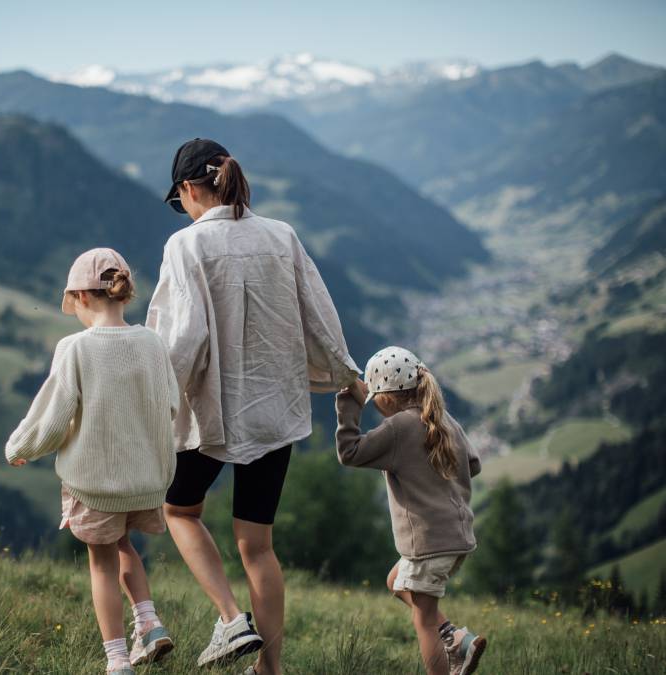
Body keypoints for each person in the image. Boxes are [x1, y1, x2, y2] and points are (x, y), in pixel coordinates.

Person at [147, 138, 359, 674]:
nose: (183, 210)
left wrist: (154, 402)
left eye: (180, 200)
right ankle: (271, 669)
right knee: (258, 547)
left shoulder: (186, 246)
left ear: (190, 189)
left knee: (179, 510)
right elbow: (319, 311)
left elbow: (184, 340)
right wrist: (345, 373)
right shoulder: (281, 236)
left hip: (213, 412)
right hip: (274, 411)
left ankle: (228, 619)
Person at [5, 248, 179, 675]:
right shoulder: (152, 343)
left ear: (82, 297)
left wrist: (20, 448)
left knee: (101, 563)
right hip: (146, 480)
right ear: (122, 293)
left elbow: (52, 414)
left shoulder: (76, 348)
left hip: (96, 484)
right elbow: (171, 405)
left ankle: (117, 660)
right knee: (124, 547)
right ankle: (150, 623)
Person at [335, 346, 488, 675]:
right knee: (396, 581)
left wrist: (349, 405)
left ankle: (449, 659)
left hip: (429, 545)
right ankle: (456, 638)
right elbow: (472, 464)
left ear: (385, 398)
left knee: (423, 621)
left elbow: (349, 452)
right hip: (457, 538)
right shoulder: (441, 417)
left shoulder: (398, 428)